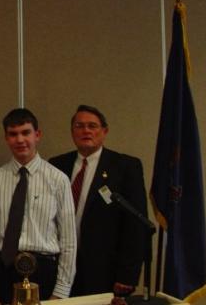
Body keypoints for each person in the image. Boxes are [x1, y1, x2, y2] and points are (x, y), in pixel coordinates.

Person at [0, 108, 77, 305]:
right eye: (13, 134)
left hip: (44, 272)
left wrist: (62, 290)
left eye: (25, 132)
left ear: (37, 135)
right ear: (6, 138)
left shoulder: (58, 180)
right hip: (3, 270)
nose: (20, 140)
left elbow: (69, 239)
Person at [49, 105, 148, 298]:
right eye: (79, 126)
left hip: (104, 272)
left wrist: (128, 274)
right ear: (72, 132)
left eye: (92, 126)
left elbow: (135, 224)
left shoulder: (125, 167)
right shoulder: (57, 165)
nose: (86, 131)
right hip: (60, 269)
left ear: (104, 131)